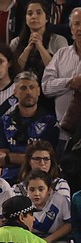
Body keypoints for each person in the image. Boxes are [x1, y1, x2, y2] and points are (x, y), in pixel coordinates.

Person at [0, 71, 59, 183]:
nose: (28, 92)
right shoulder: (3, 122)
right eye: (23, 88)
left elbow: (48, 159)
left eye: (32, 87)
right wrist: (34, 159)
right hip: (9, 180)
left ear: (38, 91)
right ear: (15, 92)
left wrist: (11, 157)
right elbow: (0, 158)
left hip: (41, 181)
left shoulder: (50, 122)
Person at [41, 7, 81, 148]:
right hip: (63, 133)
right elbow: (46, 87)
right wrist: (70, 82)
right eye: (76, 24)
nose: (80, 28)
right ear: (71, 29)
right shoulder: (61, 55)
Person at [11, 1, 68, 91]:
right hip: (22, 90)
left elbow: (59, 72)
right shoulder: (15, 42)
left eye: (39, 13)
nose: (34, 16)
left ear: (47, 18)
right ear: (25, 18)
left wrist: (40, 46)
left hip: (50, 91)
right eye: (30, 14)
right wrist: (27, 50)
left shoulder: (59, 41)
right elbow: (13, 72)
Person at [24, 169, 73, 243]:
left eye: (41, 189)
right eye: (32, 189)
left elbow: (69, 225)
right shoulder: (23, 204)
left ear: (49, 190)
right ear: (26, 190)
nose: (36, 193)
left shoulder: (60, 200)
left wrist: (49, 239)